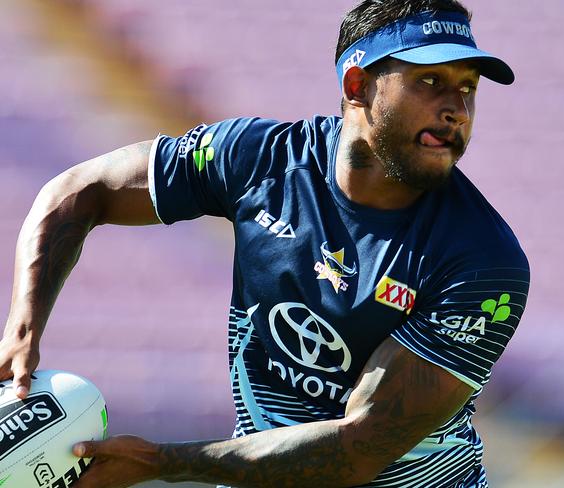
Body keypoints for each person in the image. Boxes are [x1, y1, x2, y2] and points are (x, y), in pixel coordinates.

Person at [0, 0, 530, 486]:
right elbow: (77, 191)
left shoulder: (483, 262)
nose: (456, 108)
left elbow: (358, 449)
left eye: (467, 87)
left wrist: (162, 461)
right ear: (356, 86)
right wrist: (21, 331)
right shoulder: (258, 160)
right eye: (430, 80)